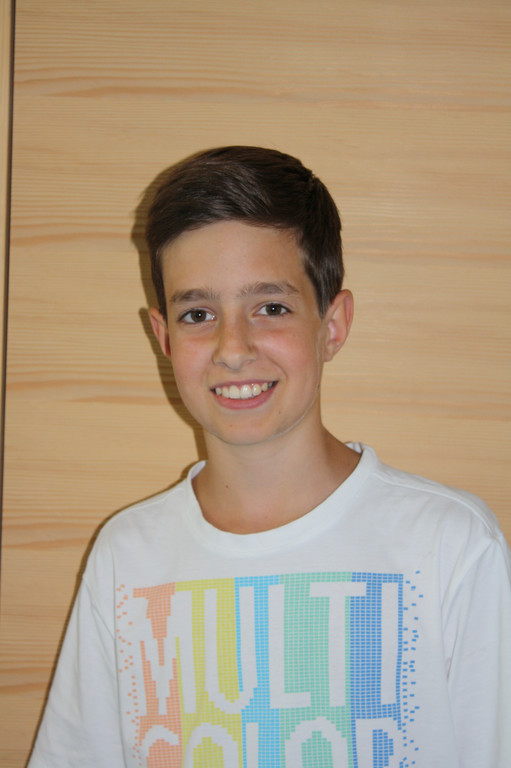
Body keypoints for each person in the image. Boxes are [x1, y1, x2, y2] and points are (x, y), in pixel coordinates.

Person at [28, 146, 511, 767]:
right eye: (198, 314)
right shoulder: (126, 556)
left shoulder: (450, 545)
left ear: (332, 325)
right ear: (163, 337)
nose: (233, 348)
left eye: (271, 308)